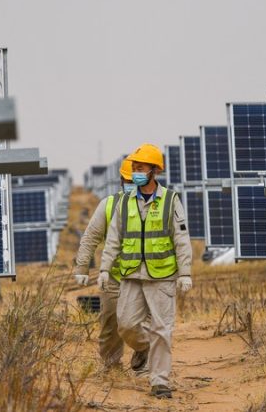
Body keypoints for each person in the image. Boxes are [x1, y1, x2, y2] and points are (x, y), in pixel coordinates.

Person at [99, 144, 193, 399]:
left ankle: (159, 381)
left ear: (154, 170)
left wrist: (185, 272)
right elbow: (113, 239)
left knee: (162, 328)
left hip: (162, 275)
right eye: (134, 168)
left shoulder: (171, 200)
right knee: (126, 325)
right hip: (130, 275)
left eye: (140, 168)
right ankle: (147, 348)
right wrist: (105, 267)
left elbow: (181, 239)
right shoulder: (125, 202)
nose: (136, 172)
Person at [73, 158, 136, 369]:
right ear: (121, 181)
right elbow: (90, 237)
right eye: (128, 180)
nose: (132, 184)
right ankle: (111, 365)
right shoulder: (108, 205)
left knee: (142, 323)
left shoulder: (156, 205)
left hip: (146, 276)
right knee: (111, 321)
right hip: (114, 277)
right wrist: (82, 267)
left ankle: (145, 360)